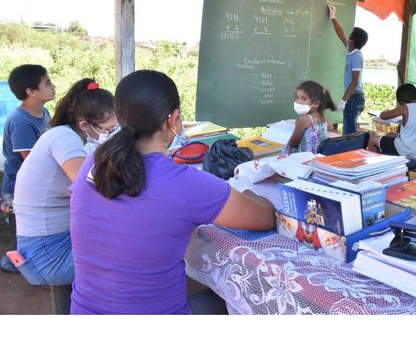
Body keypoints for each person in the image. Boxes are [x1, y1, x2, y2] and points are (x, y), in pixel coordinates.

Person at [69, 70, 275, 314]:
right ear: (174, 119)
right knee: (241, 299)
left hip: (84, 313)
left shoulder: (94, 161)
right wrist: (249, 192)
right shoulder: (186, 184)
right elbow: (265, 218)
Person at [10, 79, 116, 289]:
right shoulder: (64, 139)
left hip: (47, 243)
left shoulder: (66, 136)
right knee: (135, 250)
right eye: (109, 129)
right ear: (85, 125)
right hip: (47, 254)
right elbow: (91, 189)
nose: (111, 134)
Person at [1, 64, 55, 273]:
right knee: (21, 223)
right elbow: (31, 161)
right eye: (47, 83)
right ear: (31, 91)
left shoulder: (43, 112)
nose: (53, 86)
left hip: (30, 179)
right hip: (17, 183)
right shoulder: (21, 121)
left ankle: (26, 258)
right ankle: (17, 261)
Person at [367, 83, 416, 165]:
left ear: (402, 102)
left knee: (372, 138)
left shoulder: (406, 107)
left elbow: (383, 116)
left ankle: (374, 169)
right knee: (390, 134)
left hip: (408, 153)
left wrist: (389, 110)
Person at [327, 4, 368, 135]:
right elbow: (341, 34)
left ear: (353, 40)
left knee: (348, 133)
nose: (347, 37)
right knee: (348, 130)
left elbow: (355, 81)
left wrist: (343, 100)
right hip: (352, 97)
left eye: (350, 36)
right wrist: (333, 17)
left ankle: (350, 154)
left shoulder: (356, 55)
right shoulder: (351, 51)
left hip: (354, 98)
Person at [286, 80, 335, 154]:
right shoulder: (327, 121)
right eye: (297, 97)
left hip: (303, 160)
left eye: (304, 99)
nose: (298, 101)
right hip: (317, 160)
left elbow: (293, 144)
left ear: (316, 103)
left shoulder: (303, 120)